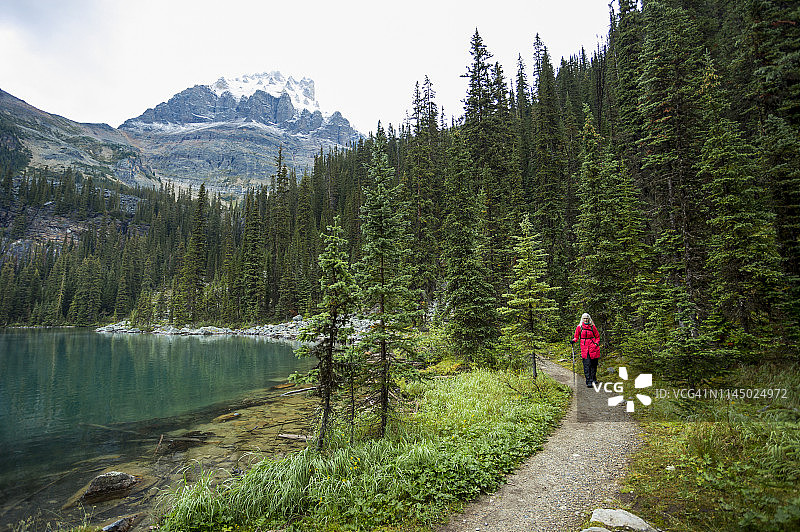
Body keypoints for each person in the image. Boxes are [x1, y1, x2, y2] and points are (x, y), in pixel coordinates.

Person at [572, 313, 601, 388]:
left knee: (594, 364)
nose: (585, 320)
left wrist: (596, 344)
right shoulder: (579, 327)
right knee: (587, 364)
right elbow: (576, 337)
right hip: (584, 348)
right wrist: (573, 341)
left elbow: (597, 336)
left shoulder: (592, 327)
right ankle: (589, 381)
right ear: (582, 319)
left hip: (593, 348)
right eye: (584, 318)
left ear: (589, 319)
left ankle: (593, 378)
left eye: (587, 318)